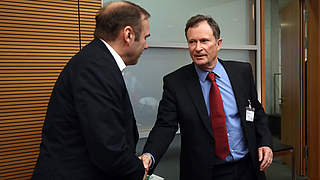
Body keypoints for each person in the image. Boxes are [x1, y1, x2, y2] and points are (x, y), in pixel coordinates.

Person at [140, 15, 273, 180]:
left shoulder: (242, 72)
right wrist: (149, 155)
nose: (197, 48)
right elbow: (165, 126)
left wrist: (265, 142)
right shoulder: (176, 82)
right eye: (192, 42)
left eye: (204, 41)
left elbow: (256, 112)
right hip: (205, 171)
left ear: (218, 44)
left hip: (248, 167)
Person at [32, 1, 150, 180]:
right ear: (128, 35)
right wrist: (138, 170)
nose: (146, 46)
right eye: (145, 38)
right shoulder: (95, 69)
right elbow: (108, 148)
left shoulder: (96, 61)